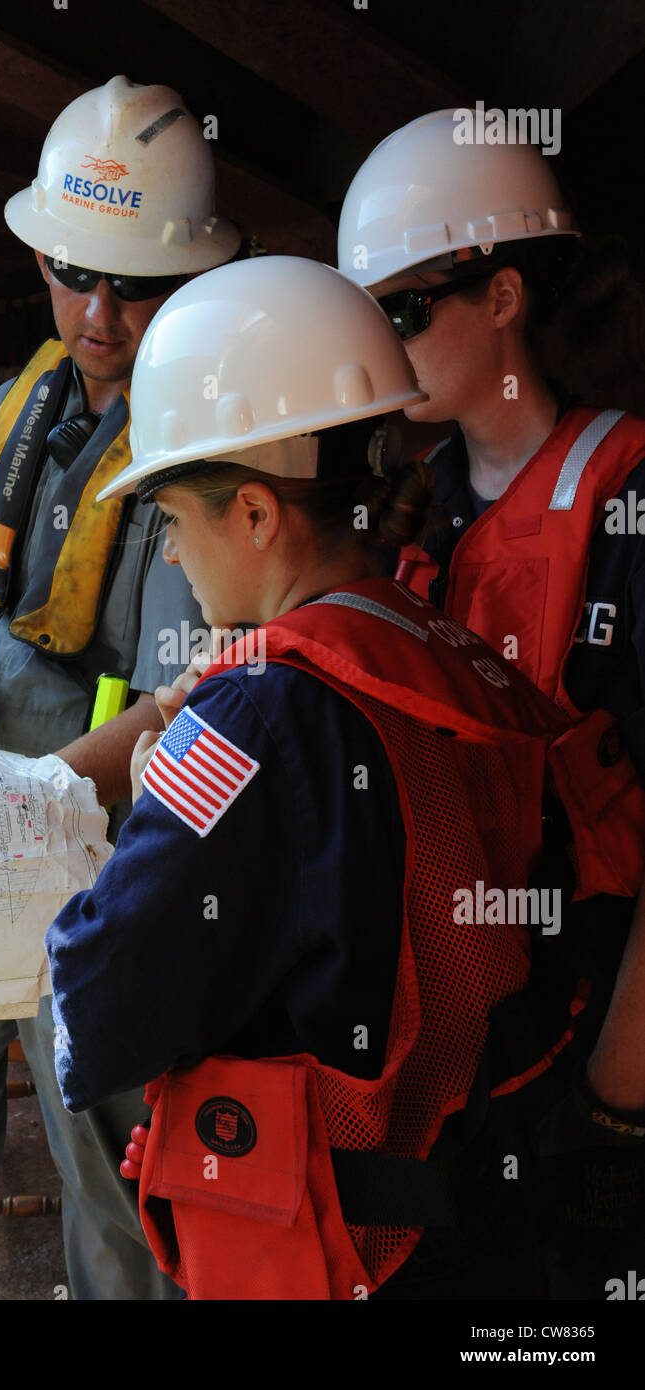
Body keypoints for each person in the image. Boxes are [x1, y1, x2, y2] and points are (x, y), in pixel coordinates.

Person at [45, 255, 577, 1300]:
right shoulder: (438, 644)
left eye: (167, 516)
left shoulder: (252, 714)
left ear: (253, 515)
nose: (167, 557)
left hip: (345, 1250)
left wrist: (145, 814)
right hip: (484, 1229)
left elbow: (104, 1002)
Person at [0, 75, 241, 1301]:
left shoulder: (205, 445)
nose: (97, 314)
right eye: (73, 273)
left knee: (102, 1131)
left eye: (132, 286)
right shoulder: (11, 412)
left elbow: (183, 697)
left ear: (186, 281)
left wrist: (28, 798)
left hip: (99, 843)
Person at [337, 108, 645, 1295]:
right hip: (457, 1043)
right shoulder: (415, 509)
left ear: (504, 296)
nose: (385, 345)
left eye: (406, 312)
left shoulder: (624, 507)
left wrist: (618, 1108)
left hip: (584, 1046)